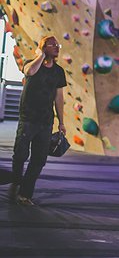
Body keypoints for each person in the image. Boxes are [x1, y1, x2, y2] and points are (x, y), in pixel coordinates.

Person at [10, 35, 67, 205]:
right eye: (51, 45)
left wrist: (61, 122)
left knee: (39, 159)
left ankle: (25, 194)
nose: (56, 47)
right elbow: (29, 72)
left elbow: (59, 98)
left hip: (45, 121)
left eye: (57, 45)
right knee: (20, 155)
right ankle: (16, 181)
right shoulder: (31, 63)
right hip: (27, 118)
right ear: (42, 47)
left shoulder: (59, 71)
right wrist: (40, 55)